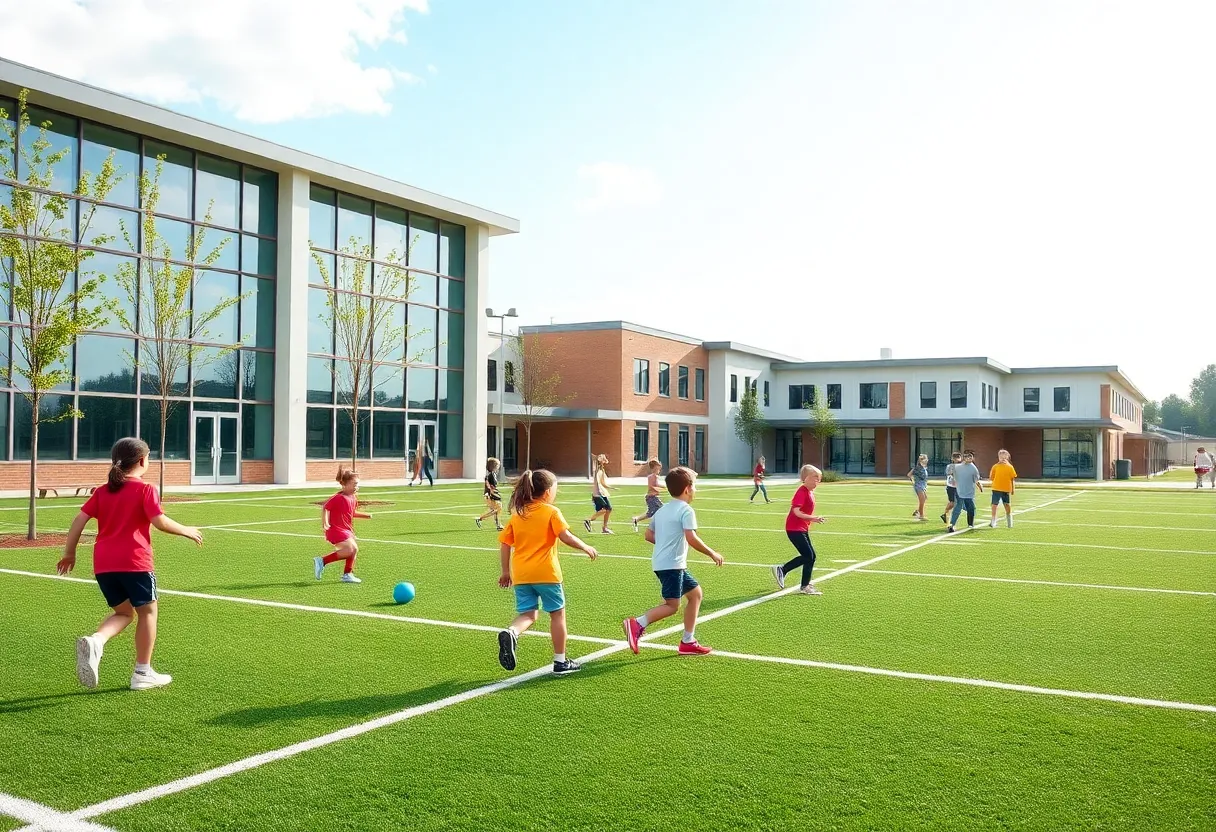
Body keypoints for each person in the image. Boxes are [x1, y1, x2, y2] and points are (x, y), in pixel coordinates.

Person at [57, 437, 203, 691]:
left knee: (124, 613)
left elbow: (78, 520)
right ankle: (142, 672)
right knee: (147, 612)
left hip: (104, 565)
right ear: (143, 461)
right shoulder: (145, 489)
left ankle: (96, 641)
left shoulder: (103, 491)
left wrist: (70, 553)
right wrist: (186, 530)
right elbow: (159, 521)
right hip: (135, 563)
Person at [496, 469, 598, 675]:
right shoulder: (551, 512)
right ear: (547, 492)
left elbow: (505, 544)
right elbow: (565, 536)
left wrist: (505, 572)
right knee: (557, 615)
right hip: (547, 574)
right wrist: (585, 546)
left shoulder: (518, 515)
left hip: (522, 575)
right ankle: (560, 661)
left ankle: (512, 632)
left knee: (528, 614)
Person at [622, 466, 725, 656]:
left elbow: (648, 534)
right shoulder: (686, 510)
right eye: (694, 487)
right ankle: (637, 624)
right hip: (672, 565)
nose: (695, 491)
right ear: (687, 489)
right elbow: (691, 538)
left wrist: (665, 543)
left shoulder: (662, 511)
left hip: (667, 563)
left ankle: (688, 641)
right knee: (672, 605)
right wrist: (712, 553)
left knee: (695, 594)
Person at [771, 464, 826, 595]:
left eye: (819, 478)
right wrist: (813, 518)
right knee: (808, 556)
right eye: (815, 478)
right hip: (794, 529)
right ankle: (783, 570)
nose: (817, 481)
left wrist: (811, 520)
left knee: (811, 557)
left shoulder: (809, 492)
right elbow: (796, 511)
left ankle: (805, 585)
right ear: (805, 478)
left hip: (801, 528)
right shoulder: (801, 492)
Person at [314, 467, 373, 583]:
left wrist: (365, 515)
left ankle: (347, 574)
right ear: (344, 485)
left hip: (346, 530)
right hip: (335, 530)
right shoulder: (338, 498)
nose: (357, 487)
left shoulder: (353, 498)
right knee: (353, 548)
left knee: (353, 550)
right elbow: (326, 507)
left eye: (358, 484)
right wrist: (325, 522)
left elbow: (351, 513)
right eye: (354, 484)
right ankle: (322, 561)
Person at [946, 451, 983, 532]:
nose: (968, 458)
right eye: (966, 457)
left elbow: (976, 480)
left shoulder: (973, 468)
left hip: (968, 491)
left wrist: (980, 487)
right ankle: (952, 524)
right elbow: (950, 472)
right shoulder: (959, 466)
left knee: (971, 508)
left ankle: (970, 524)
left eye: (970, 457)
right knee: (959, 507)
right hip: (960, 491)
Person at [631, 458, 664, 532]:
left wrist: (662, 488)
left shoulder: (653, 476)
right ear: (655, 468)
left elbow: (655, 485)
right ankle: (637, 519)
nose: (659, 470)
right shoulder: (653, 476)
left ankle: (636, 519)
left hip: (652, 497)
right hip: (652, 497)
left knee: (654, 512)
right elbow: (652, 486)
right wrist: (662, 488)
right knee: (658, 510)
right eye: (658, 468)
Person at [584, 453, 613, 534]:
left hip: (602, 493)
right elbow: (597, 482)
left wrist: (611, 488)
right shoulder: (596, 470)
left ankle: (604, 528)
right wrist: (597, 458)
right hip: (597, 494)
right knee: (604, 510)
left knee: (609, 509)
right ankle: (588, 520)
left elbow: (603, 483)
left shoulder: (602, 471)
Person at [988, 449, 1018, 528]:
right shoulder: (995, 466)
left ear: (1007, 458)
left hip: (1006, 489)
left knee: (1007, 505)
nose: (1002, 459)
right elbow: (991, 477)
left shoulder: (1010, 467)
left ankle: (1009, 521)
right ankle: (993, 521)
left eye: (1004, 457)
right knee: (994, 505)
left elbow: (1012, 479)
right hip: (996, 488)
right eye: (1001, 457)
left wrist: (1013, 489)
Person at [476, 457, 504, 531]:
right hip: (491, 495)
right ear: (494, 466)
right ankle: (480, 518)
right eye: (498, 465)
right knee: (497, 508)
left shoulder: (491, 475)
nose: (499, 467)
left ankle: (499, 525)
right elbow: (490, 487)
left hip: (490, 494)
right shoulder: (491, 475)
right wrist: (493, 495)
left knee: (497, 509)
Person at [940, 451, 962, 524]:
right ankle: (945, 514)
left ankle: (951, 516)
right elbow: (950, 473)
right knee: (952, 503)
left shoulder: (962, 466)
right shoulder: (950, 466)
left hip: (959, 487)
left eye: (958, 457)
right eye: (955, 457)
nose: (957, 459)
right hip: (951, 487)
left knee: (959, 503)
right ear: (952, 458)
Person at [908, 454, 929, 521]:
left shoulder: (924, 468)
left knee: (924, 499)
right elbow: (909, 475)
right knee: (922, 501)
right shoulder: (917, 468)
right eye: (923, 459)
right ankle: (921, 516)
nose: (926, 461)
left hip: (923, 486)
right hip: (919, 486)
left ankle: (917, 511)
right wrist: (913, 482)